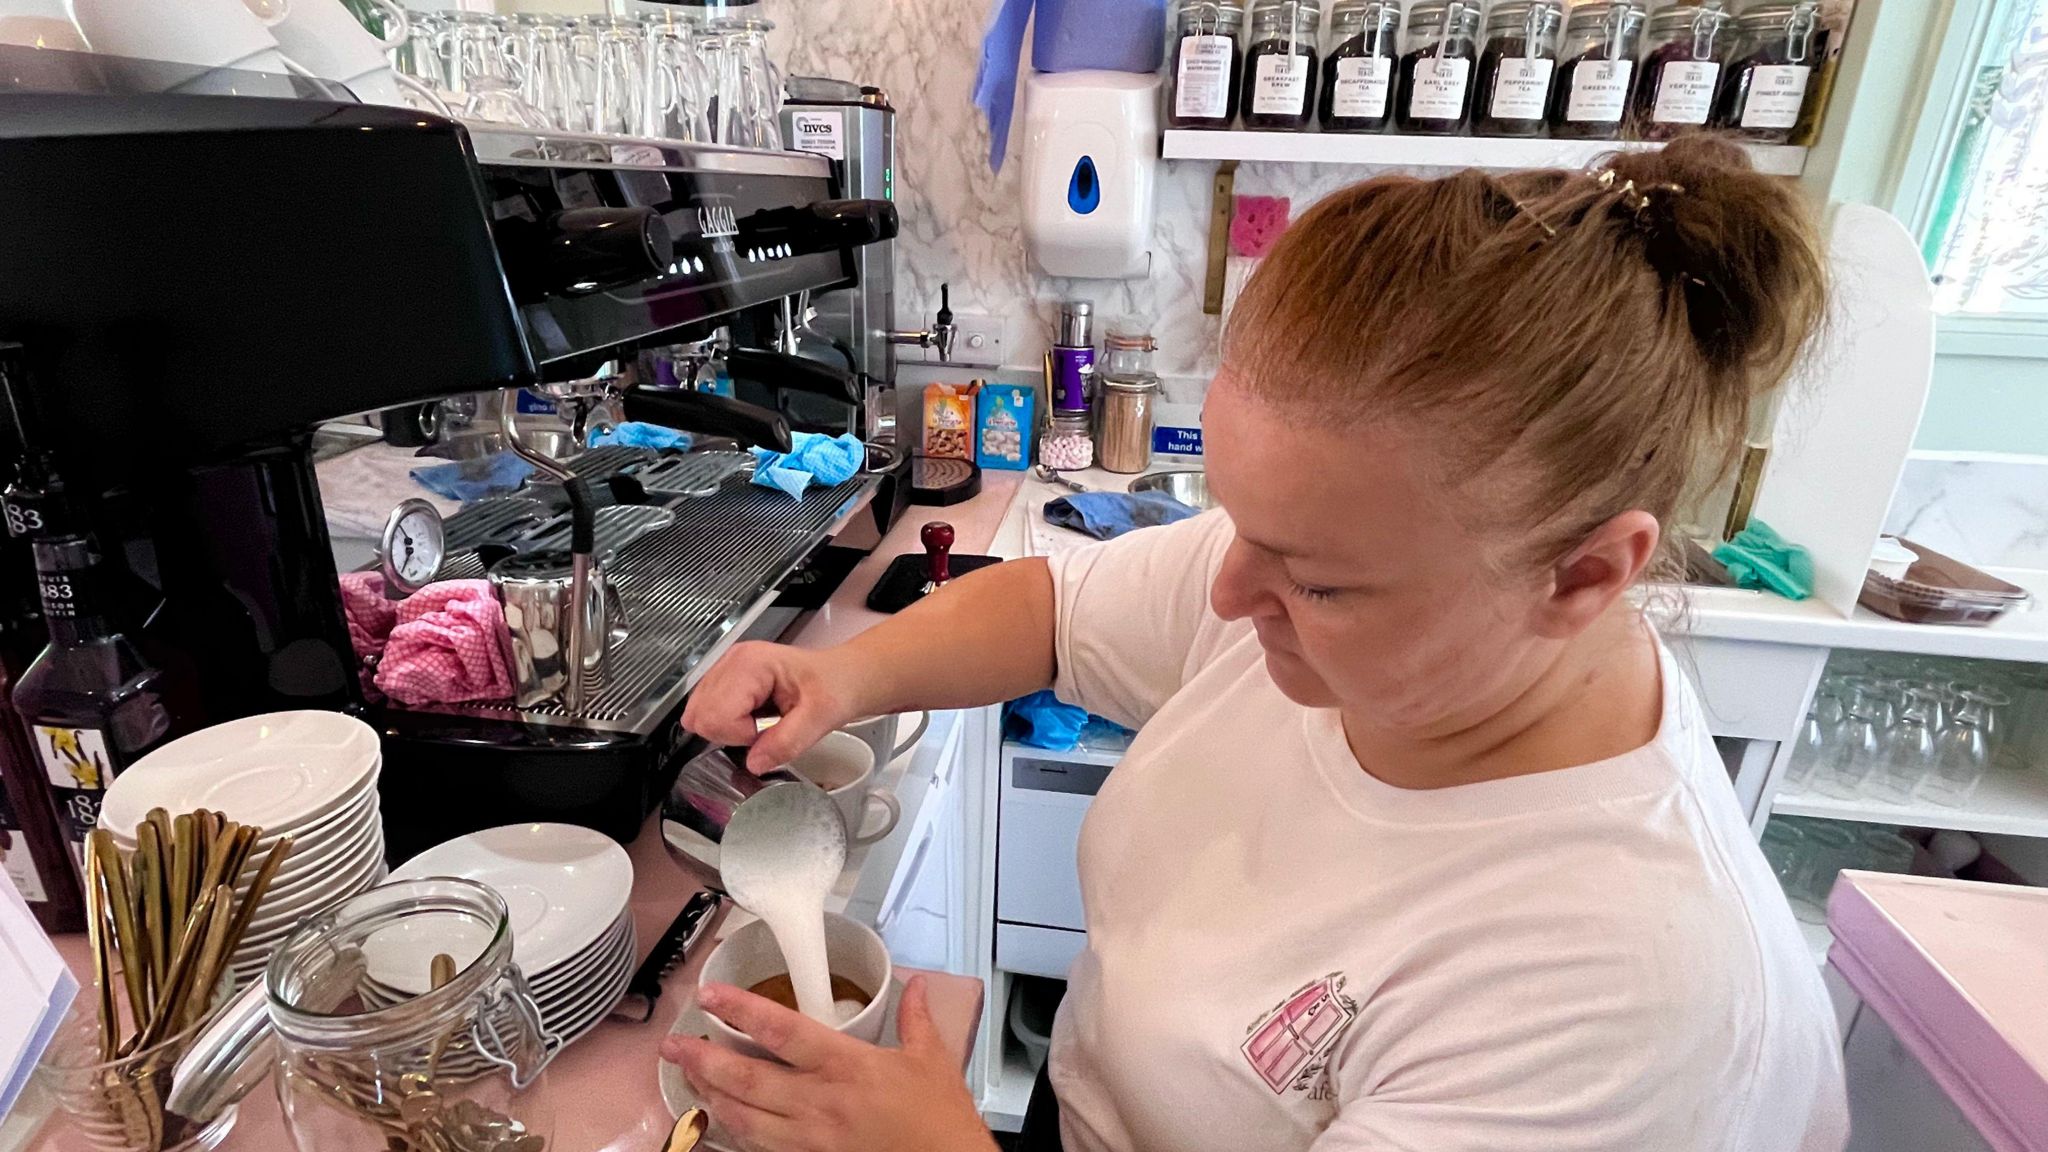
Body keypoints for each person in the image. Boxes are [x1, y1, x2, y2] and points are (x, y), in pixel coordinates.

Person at [660, 135, 1848, 1152]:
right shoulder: (1331, 588)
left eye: (1321, 585)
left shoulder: (1624, 995)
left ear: (1584, 576)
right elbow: (1053, 611)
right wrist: (840, 674)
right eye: (1238, 522)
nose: (1227, 594)